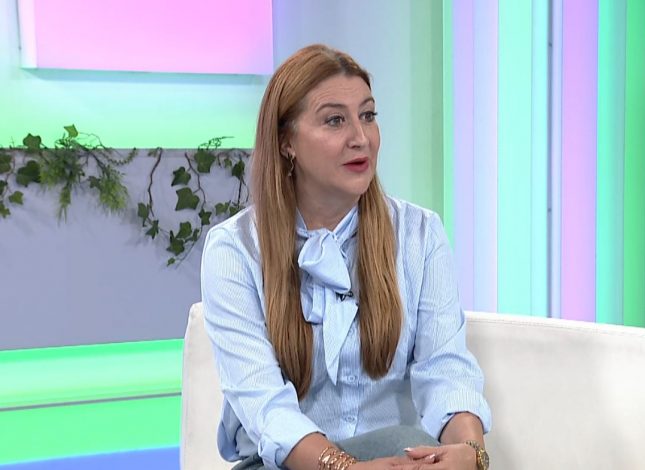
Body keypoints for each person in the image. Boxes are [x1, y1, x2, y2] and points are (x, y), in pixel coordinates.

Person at [201, 44, 491, 470]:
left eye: (368, 116)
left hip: (395, 461)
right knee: (406, 440)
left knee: (411, 445)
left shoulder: (419, 233)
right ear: (286, 142)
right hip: (281, 466)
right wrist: (347, 468)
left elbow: (445, 369)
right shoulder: (235, 249)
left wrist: (471, 454)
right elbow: (265, 405)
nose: (361, 138)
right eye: (335, 120)